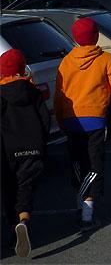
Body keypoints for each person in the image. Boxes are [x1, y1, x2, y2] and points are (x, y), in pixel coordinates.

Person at [54, 18, 111, 232]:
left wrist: (60, 118)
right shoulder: (106, 59)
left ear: (75, 37)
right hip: (95, 119)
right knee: (95, 164)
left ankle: (80, 205)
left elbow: (60, 94)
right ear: (96, 36)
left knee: (77, 162)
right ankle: (87, 213)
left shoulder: (66, 61)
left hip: (71, 119)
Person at [0, 49, 49, 258]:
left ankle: (14, 228)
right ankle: (24, 219)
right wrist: (42, 144)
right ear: (22, 68)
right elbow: (45, 121)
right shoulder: (34, 92)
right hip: (32, 148)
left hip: (7, 150)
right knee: (26, 186)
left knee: (9, 188)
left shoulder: (1, 94)